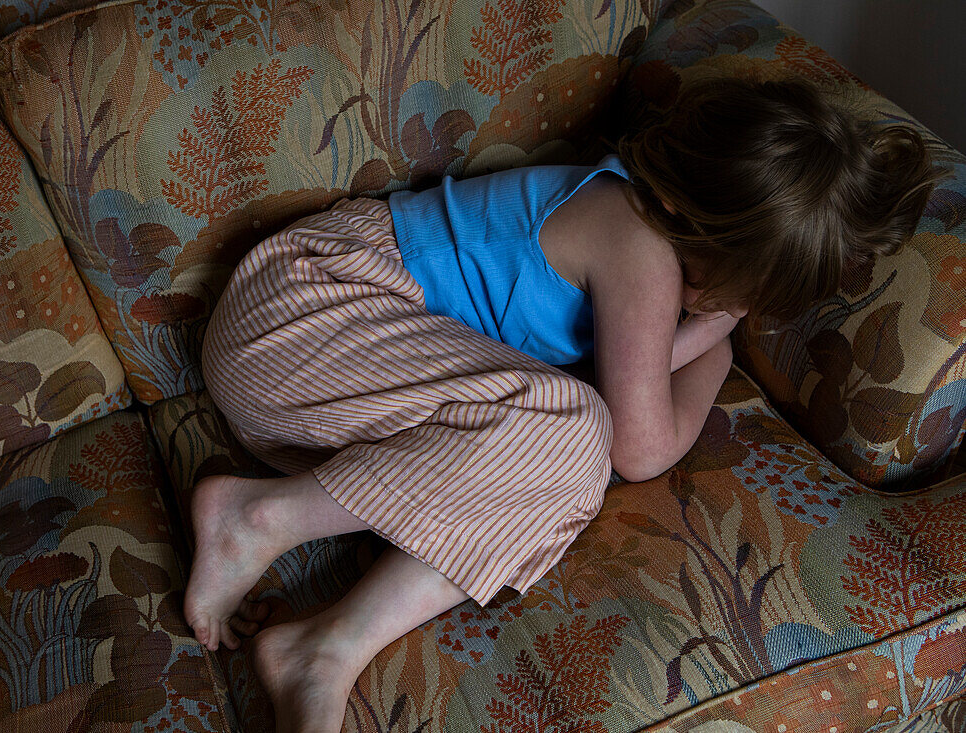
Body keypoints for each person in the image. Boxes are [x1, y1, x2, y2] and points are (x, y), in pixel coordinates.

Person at [183, 74, 946, 732]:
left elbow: (615, 371)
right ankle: (259, 516)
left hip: (328, 389)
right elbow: (641, 444)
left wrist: (709, 322)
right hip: (301, 311)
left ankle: (327, 648)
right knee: (579, 431)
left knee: (560, 478)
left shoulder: (645, 226)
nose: (754, 310)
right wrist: (718, 340)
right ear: (695, 220)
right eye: (752, 290)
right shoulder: (636, 242)